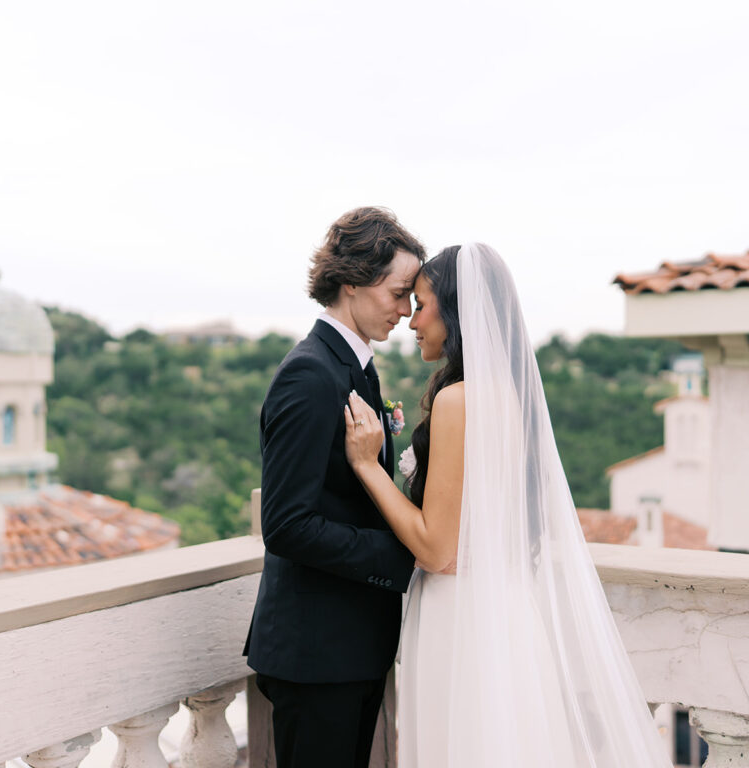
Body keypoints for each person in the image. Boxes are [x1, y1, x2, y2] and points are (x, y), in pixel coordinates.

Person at [344, 243, 673, 766]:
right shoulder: (509, 396)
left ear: (456, 314)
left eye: (422, 305)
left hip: (461, 620)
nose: (412, 320)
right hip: (507, 612)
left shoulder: (459, 400)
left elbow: (435, 548)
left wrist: (367, 465)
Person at [244, 207, 423, 768]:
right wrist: (402, 554)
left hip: (351, 646)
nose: (406, 311)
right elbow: (286, 525)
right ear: (352, 281)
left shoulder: (354, 367)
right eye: (398, 293)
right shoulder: (310, 373)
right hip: (316, 655)